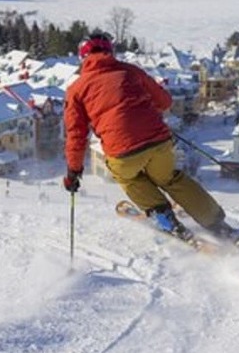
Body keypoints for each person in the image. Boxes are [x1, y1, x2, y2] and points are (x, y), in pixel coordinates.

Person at [62, 32, 230, 240]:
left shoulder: (76, 90)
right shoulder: (131, 71)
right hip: (159, 141)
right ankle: (214, 221)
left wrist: (73, 172)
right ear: (110, 52)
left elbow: (76, 135)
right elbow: (165, 102)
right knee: (170, 178)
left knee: (128, 178)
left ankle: (164, 216)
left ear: (82, 57)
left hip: (122, 151)